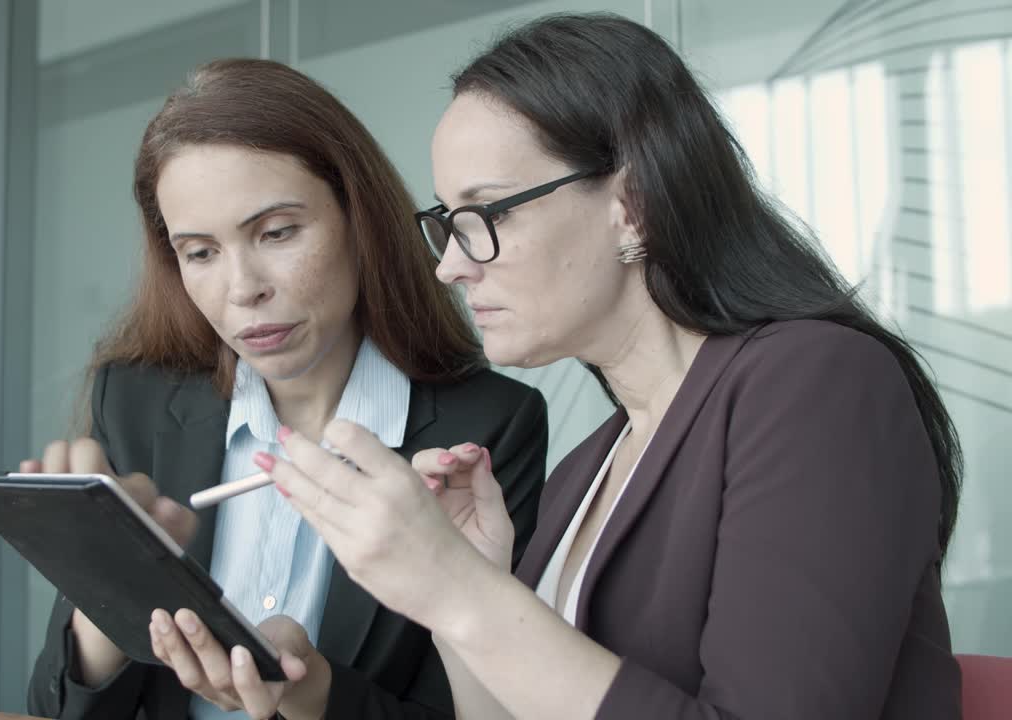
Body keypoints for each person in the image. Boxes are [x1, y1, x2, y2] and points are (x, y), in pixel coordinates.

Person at [257, 13, 963, 720]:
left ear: (633, 206)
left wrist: (459, 590)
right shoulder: (583, 474)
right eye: (448, 222)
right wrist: (462, 592)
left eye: (486, 214)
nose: (450, 267)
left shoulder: (816, 383)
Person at [23, 58, 548, 720]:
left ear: (360, 219)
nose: (243, 289)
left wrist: (314, 693)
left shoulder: (489, 427)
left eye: (276, 233)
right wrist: (108, 603)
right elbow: (52, 710)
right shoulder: (134, 401)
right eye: (200, 253)